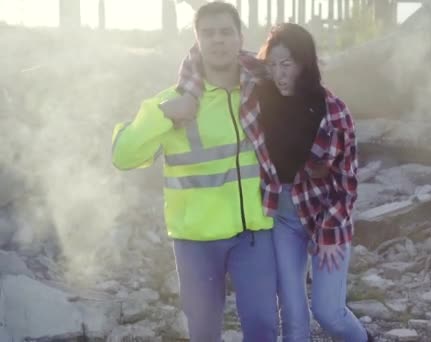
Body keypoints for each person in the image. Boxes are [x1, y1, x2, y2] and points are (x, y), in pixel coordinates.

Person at [176, 21, 373, 342]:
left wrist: (330, 235)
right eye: (273, 65)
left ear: (304, 63)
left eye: (288, 64)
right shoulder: (260, 91)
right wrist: (189, 94)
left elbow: (347, 183)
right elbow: (203, 53)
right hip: (282, 219)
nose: (280, 73)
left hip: (326, 219)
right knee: (294, 318)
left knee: (329, 312)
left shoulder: (334, 112)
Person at [110, 3, 278, 342]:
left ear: (240, 36)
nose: (218, 40)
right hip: (195, 241)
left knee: (262, 327)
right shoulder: (171, 100)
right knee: (203, 333)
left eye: (226, 32)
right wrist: (163, 115)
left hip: (253, 234)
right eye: (209, 33)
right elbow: (123, 156)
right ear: (197, 39)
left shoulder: (262, 92)